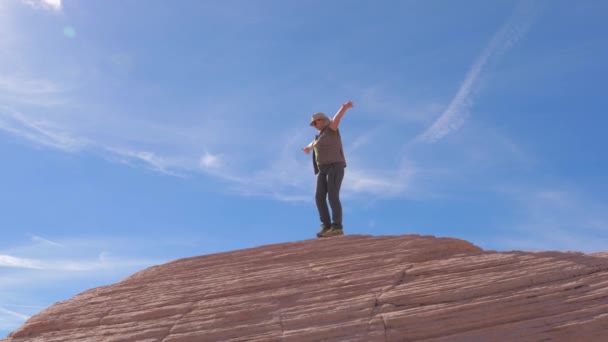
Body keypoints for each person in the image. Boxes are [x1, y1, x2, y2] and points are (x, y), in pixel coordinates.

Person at [302, 101, 354, 238]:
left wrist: (344, 108)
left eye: (315, 123)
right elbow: (314, 143)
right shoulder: (320, 136)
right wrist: (308, 147)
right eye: (313, 124)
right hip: (323, 169)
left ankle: (337, 227)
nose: (314, 126)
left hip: (335, 166)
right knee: (319, 197)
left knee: (332, 195)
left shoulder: (332, 129)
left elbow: (337, 119)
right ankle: (326, 226)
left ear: (322, 120)